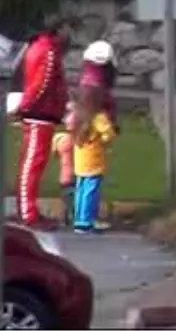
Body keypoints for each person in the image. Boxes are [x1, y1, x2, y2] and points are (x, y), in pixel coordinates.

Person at [14, 15, 71, 228]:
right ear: (57, 29)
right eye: (66, 28)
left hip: (41, 113)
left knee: (33, 163)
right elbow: (42, 84)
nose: (69, 33)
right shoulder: (47, 51)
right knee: (32, 163)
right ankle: (28, 213)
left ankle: (28, 210)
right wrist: (27, 107)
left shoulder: (43, 48)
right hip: (40, 114)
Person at [71, 43, 119, 234]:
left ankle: (79, 218)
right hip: (94, 159)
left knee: (81, 187)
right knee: (91, 189)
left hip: (81, 155)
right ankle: (85, 221)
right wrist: (110, 134)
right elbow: (108, 134)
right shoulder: (98, 116)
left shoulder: (80, 116)